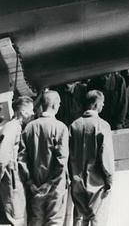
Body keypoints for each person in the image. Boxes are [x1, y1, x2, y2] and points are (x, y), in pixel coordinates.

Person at [18, 90, 69, 226]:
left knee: (35, 222)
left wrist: (29, 182)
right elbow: (61, 161)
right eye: (58, 103)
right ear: (54, 105)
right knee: (54, 222)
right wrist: (50, 184)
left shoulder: (28, 128)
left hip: (34, 187)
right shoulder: (61, 128)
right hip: (54, 187)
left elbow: (21, 159)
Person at [69, 90, 114, 226]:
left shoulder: (73, 125)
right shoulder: (102, 125)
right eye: (102, 103)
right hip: (97, 182)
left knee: (81, 220)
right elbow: (105, 154)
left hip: (77, 182)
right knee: (98, 220)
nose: (103, 106)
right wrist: (109, 179)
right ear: (96, 104)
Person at [0, 95, 34, 226]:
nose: (32, 113)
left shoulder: (16, 127)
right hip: (11, 183)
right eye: (30, 110)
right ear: (22, 111)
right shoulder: (12, 127)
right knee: (16, 219)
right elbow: (2, 157)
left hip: (14, 181)